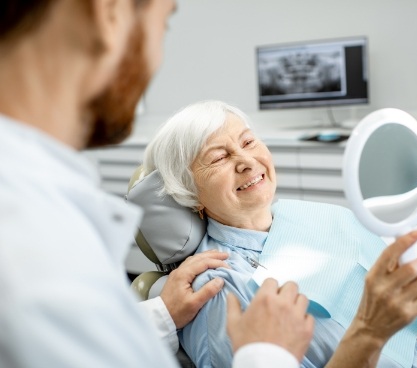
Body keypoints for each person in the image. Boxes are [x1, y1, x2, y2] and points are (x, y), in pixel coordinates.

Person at [0, 1, 313, 367]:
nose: (157, 57)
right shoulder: (34, 247)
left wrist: (162, 314)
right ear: (109, 13)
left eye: (247, 142)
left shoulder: (38, 215)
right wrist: (268, 355)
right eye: (164, 23)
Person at [142, 99, 417, 368]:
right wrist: (368, 331)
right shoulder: (217, 289)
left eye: (248, 141)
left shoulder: (323, 216)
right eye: (218, 158)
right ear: (190, 193)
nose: (246, 160)